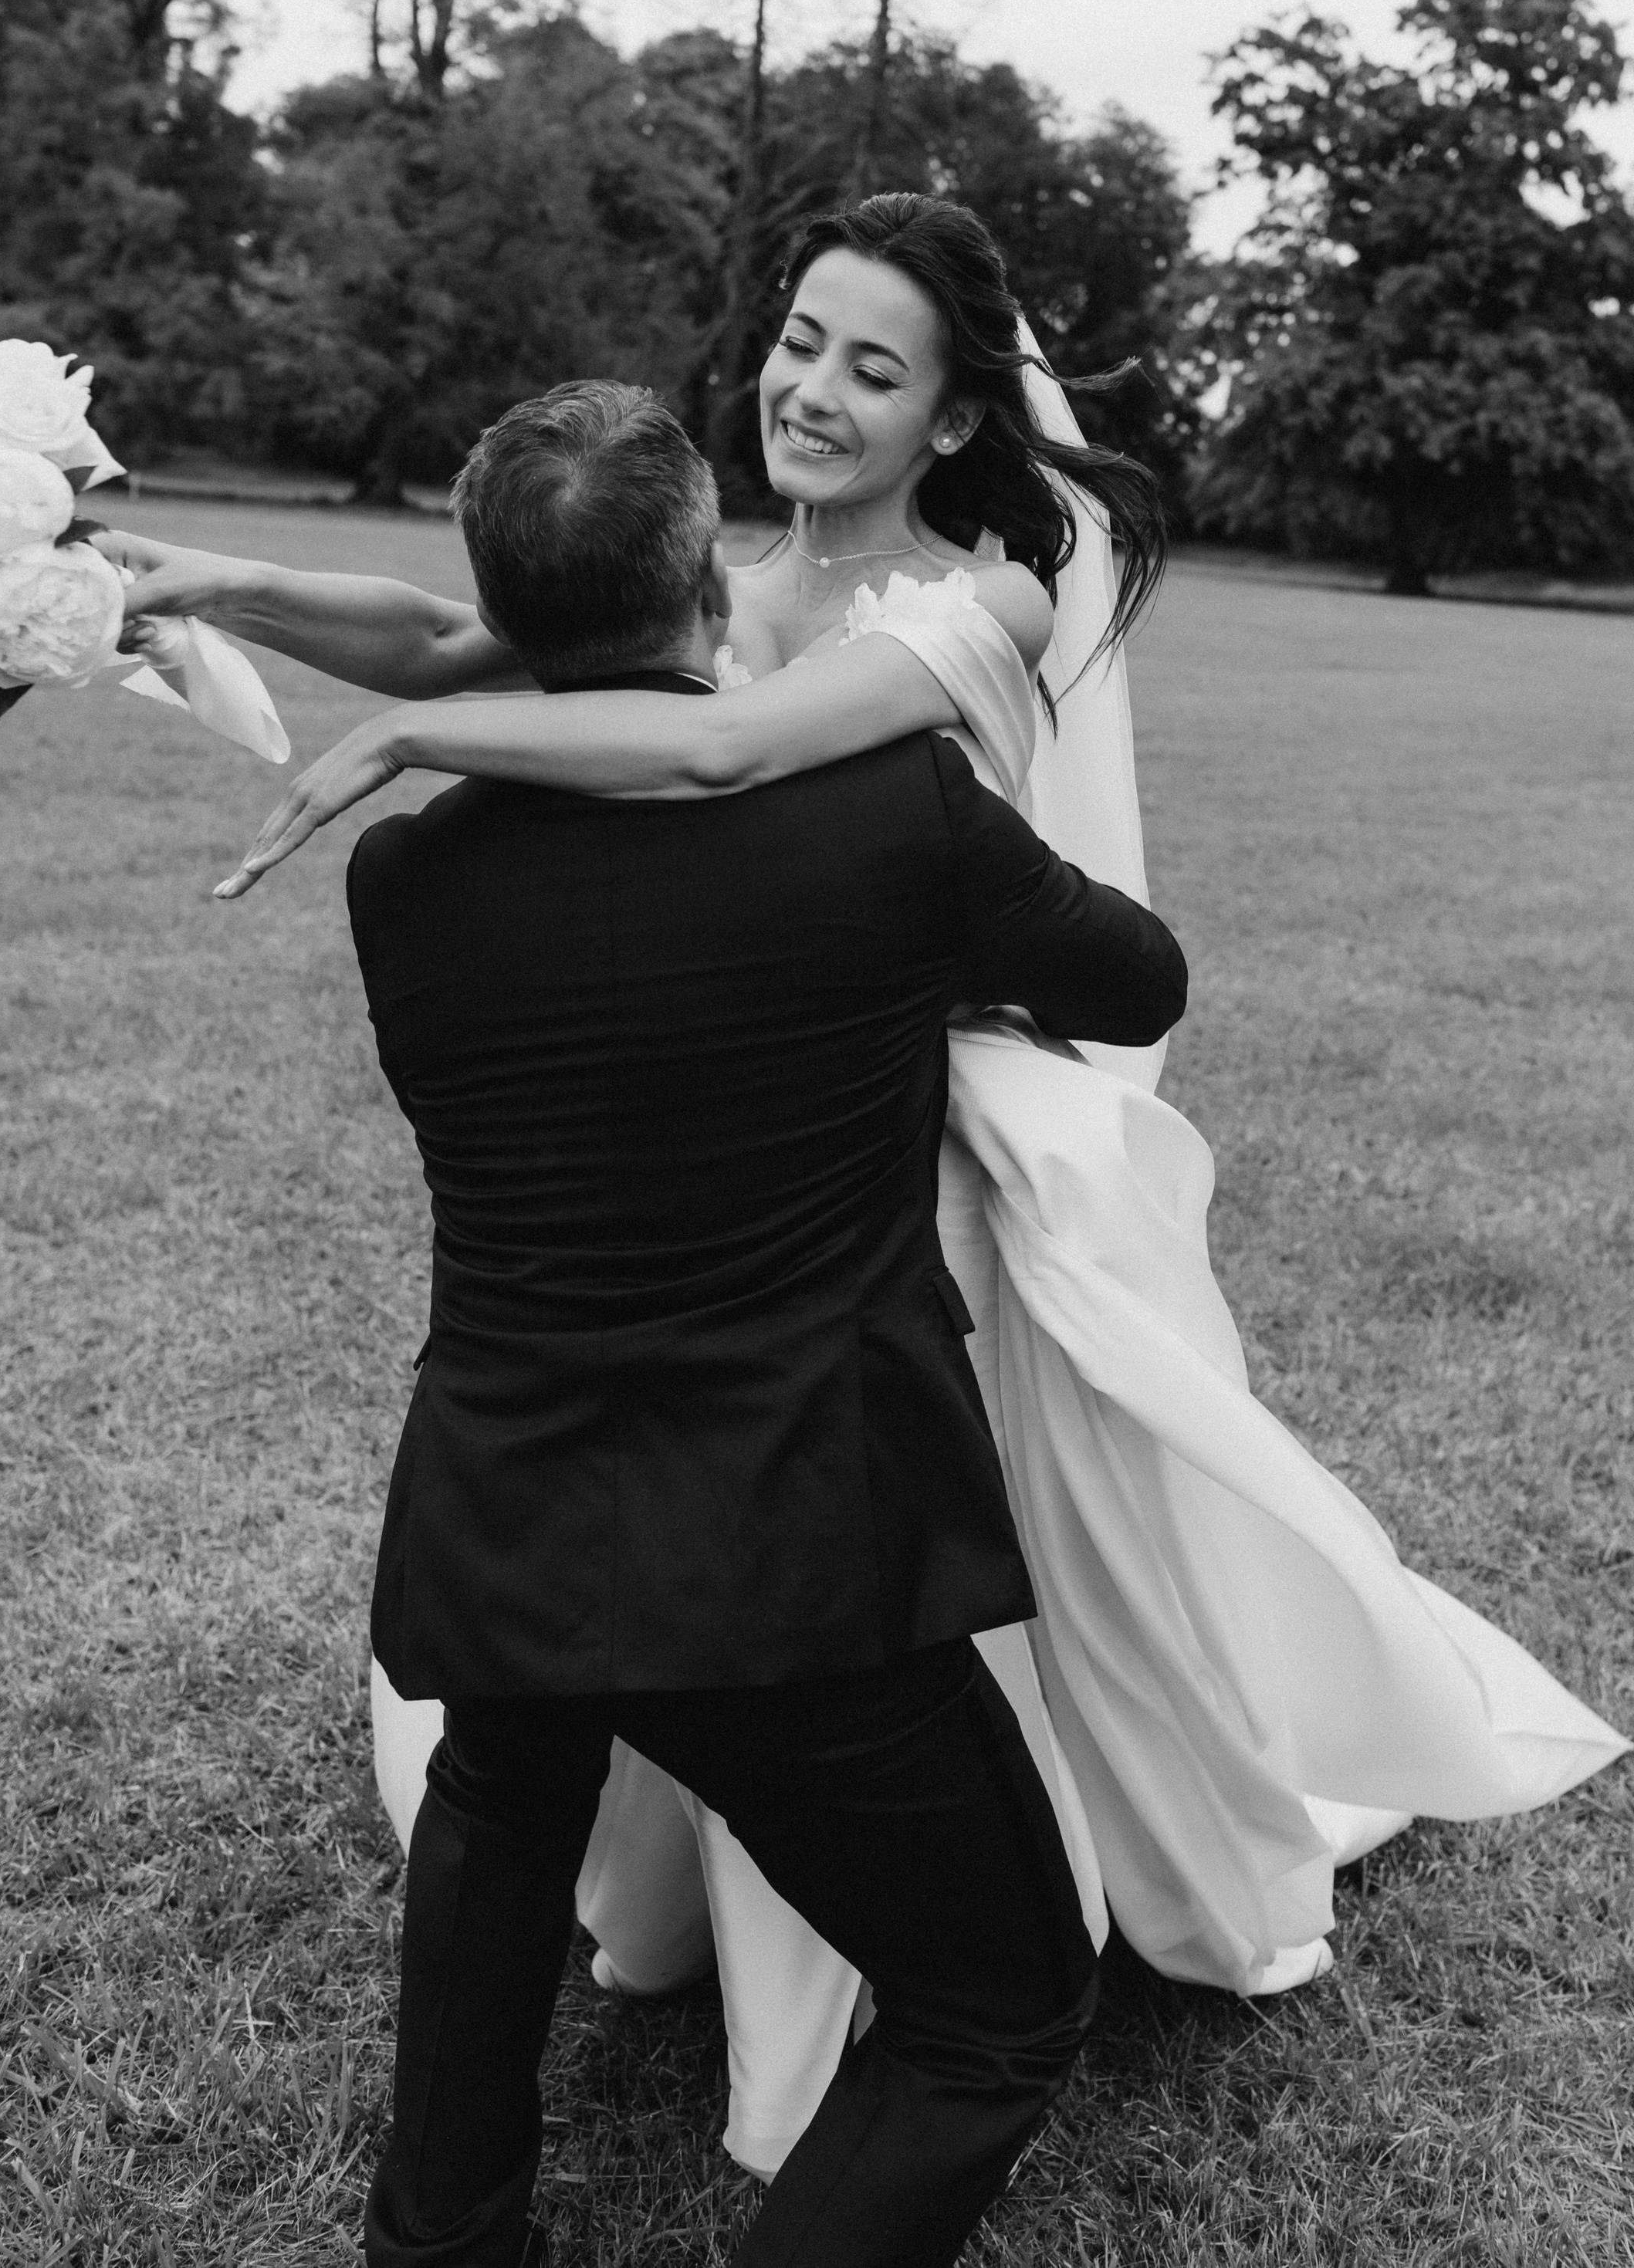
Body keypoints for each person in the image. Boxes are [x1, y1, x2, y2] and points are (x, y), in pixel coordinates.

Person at [100, 192, 1628, 2182]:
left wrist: (411, 741)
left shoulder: (971, 607)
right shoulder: (726, 567)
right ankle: (761, 1925)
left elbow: (722, 752)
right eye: (801, 339)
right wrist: (206, 576)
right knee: (730, 1580)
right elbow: (475, 621)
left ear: (950, 421)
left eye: (871, 367)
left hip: (903, 1181)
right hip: (763, 1141)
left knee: (918, 1573)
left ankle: (1025, 1873)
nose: (811, 388)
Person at [341, 375, 1189, 2266]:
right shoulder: (888, 815)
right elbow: (1136, 981)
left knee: (506, 1772)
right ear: (701, 585)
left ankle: (440, 2234)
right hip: (799, 1545)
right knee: (995, 2000)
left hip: (512, 1504)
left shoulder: (403, 878)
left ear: (503, 601)